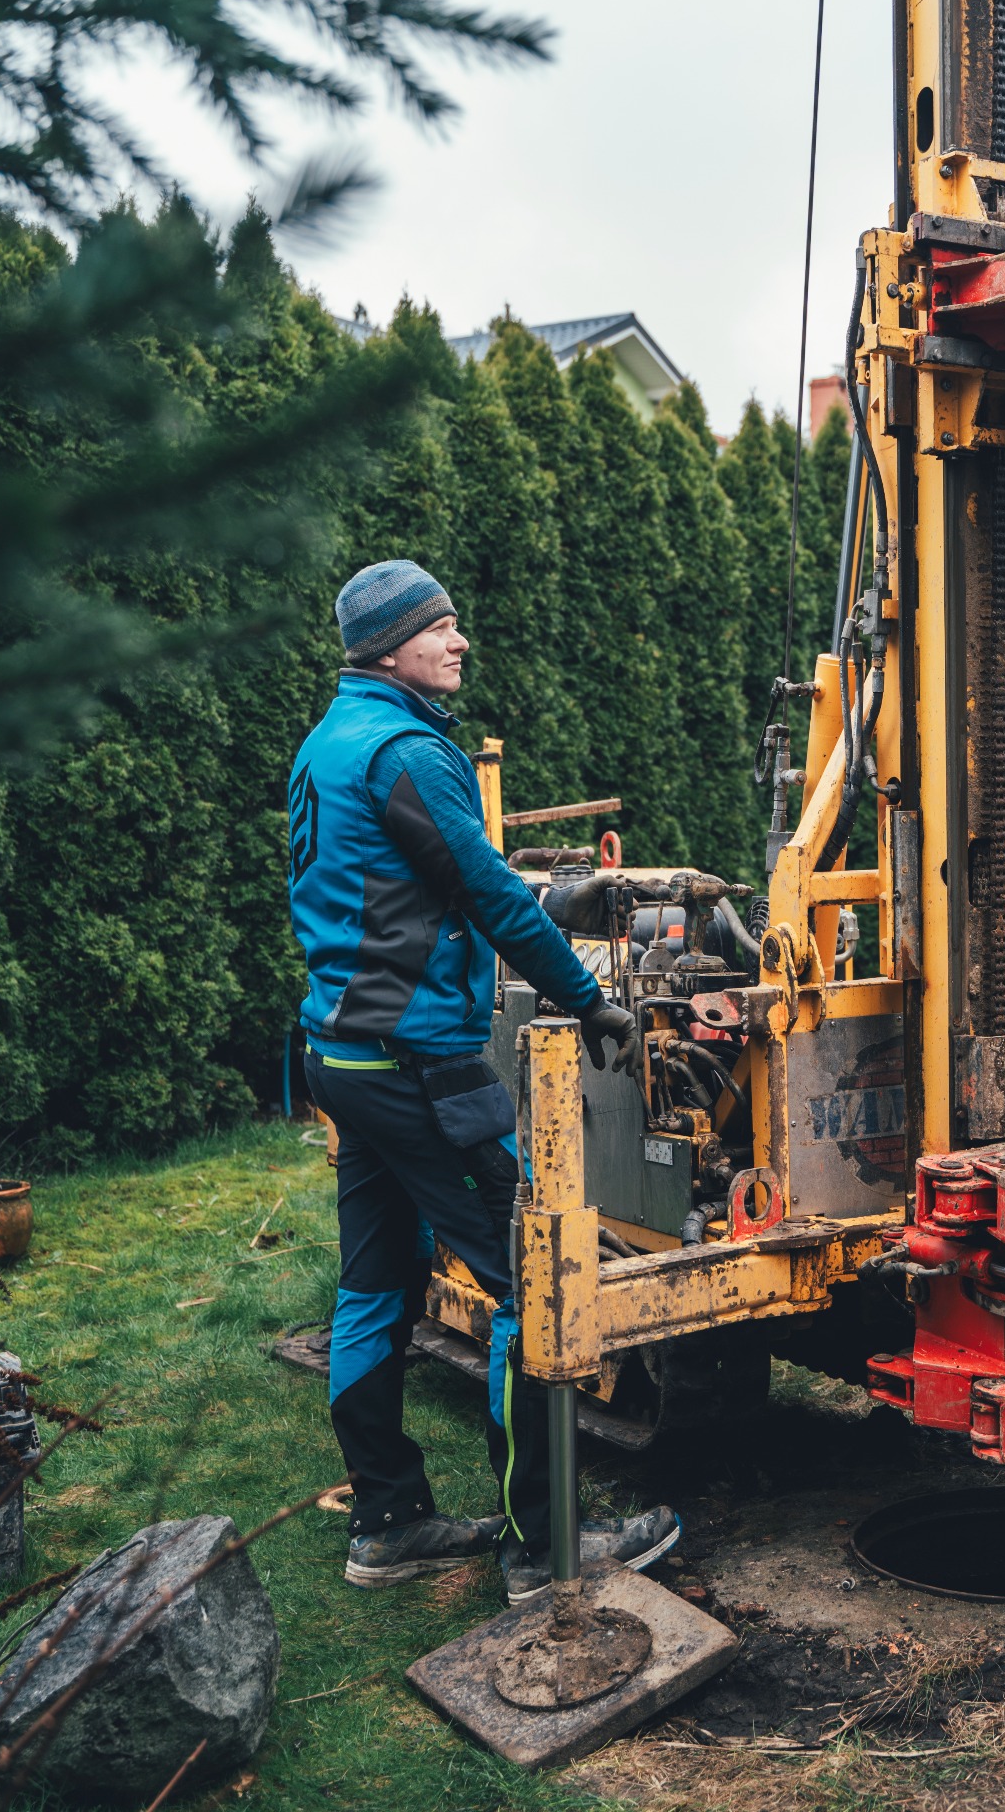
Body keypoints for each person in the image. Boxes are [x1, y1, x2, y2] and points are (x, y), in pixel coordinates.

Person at [288, 559, 678, 1595]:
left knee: (375, 1284)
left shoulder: (331, 739)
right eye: (439, 626)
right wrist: (588, 998)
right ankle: (542, 1546)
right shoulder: (409, 752)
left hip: (341, 1054)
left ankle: (387, 1523)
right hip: (415, 1063)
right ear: (389, 647)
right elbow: (491, 894)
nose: (459, 640)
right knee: (529, 1279)